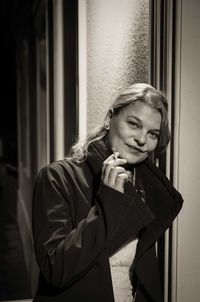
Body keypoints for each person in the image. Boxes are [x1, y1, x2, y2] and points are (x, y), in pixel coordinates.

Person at [32, 83, 183, 302]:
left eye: (152, 133)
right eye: (133, 124)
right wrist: (109, 202)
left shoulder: (146, 186)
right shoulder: (57, 177)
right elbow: (55, 269)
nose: (141, 139)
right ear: (110, 118)